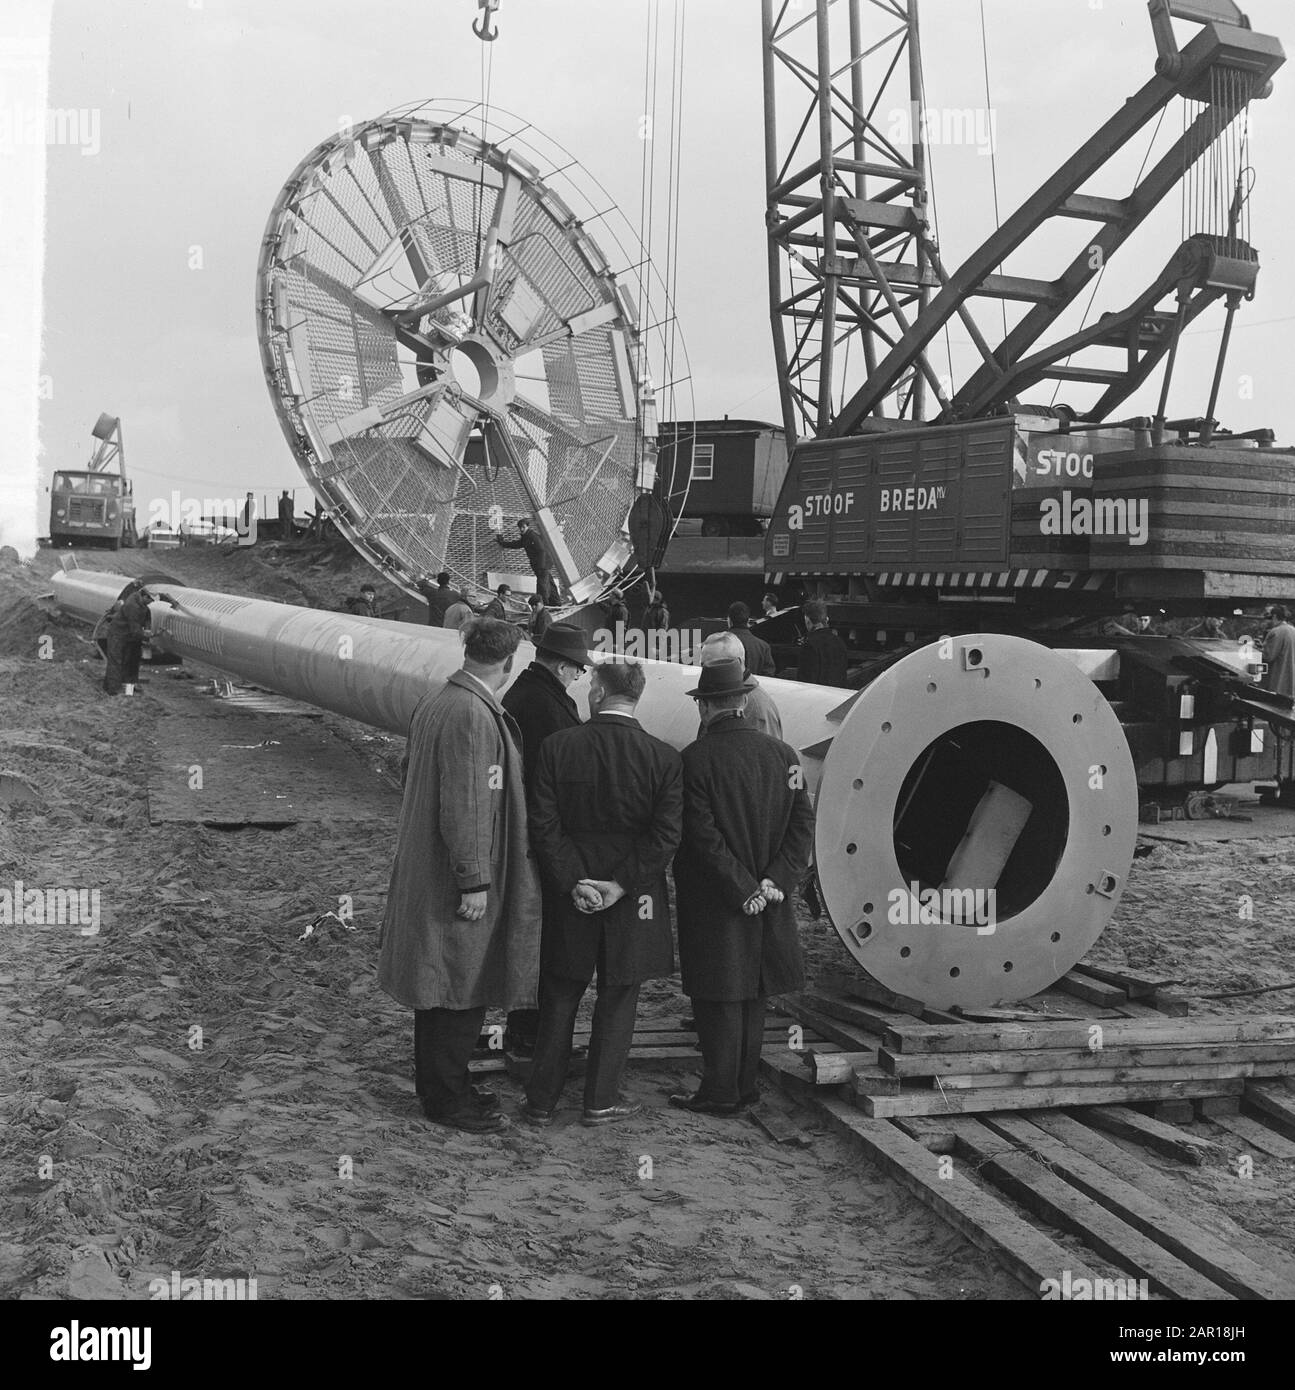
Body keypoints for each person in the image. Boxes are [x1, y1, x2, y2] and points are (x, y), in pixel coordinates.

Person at [377, 618, 541, 1134]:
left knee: (441, 981)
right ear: (509, 664)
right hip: (455, 876)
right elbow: (466, 804)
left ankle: (444, 1085)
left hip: (430, 868)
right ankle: (446, 1099)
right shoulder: (473, 713)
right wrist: (474, 878)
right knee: (458, 983)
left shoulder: (440, 700)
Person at [521, 658, 683, 1127]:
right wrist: (620, 885)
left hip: (570, 895)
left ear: (597, 692)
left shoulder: (557, 747)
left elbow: (543, 824)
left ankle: (541, 1101)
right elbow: (665, 836)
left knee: (559, 995)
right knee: (618, 999)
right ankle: (600, 1100)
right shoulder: (664, 758)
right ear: (637, 696)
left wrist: (574, 880)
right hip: (632, 900)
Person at [671, 658, 814, 1117]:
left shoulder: (694, 759)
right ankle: (745, 1085)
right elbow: (801, 825)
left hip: (718, 900)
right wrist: (775, 880)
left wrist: (741, 888)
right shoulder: (785, 756)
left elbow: (702, 835)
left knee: (717, 996)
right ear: (744, 701)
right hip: (771, 897)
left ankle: (719, 1092)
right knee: (755, 992)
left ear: (706, 707)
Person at [499, 622, 592, 1056]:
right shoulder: (545, 704)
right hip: (543, 839)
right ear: (561, 665)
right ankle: (532, 1033)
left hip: (530, 833)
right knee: (544, 939)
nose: (579, 677)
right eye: (577, 669)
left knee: (534, 935)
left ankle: (526, 1029)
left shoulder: (527, 693)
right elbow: (555, 781)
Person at [697, 631, 782, 739]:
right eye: (703, 665)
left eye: (714, 664)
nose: (707, 671)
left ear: (738, 663)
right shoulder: (742, 699)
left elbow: (767, 752)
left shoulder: (756, 707)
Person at [102, 583, 153, 696]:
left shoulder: (141, 603)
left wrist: (148, 628)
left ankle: (122, 686)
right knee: (116, 661)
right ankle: (113, 690)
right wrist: (148, 636)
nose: (151, 603)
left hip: (127, 635)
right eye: (151, 600)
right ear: (145, 597)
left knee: (129, 661)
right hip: (117, 635)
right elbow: (135, 629)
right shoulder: (132, 606)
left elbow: (147, 614)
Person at [495, 518, 559, 605]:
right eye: (520, 527)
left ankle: (544, 606)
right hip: (542, 565)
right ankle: (556, 603)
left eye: (523, 527)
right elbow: (517, 544)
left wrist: (540, 566)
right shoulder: (526, 537)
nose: (521, 529)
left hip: (542, 565)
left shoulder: (532, 536)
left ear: (527, 527)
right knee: (549, 583)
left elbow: (542, 550)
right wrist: (503, 543)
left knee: (542, 586)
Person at [798, 598, 850, 687]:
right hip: (838, 695)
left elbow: (806, 680)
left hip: (818, 697)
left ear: (808, 620)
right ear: (825, 619)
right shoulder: (839, 642)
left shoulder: (810, 645)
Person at [727, 601, 775, 676]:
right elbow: (769, 676)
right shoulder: (764, 647)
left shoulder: (716, 643)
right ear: (748, 620)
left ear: (729, 620)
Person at [1261, 605, 1295, 699]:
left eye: (1270, 618)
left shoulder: (1276, 631)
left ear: (1275, 616)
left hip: (1277, 682)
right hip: (1290, 683)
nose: (1268, 622)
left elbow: (1268, 656)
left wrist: (1255, 651)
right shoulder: (1293, 630)